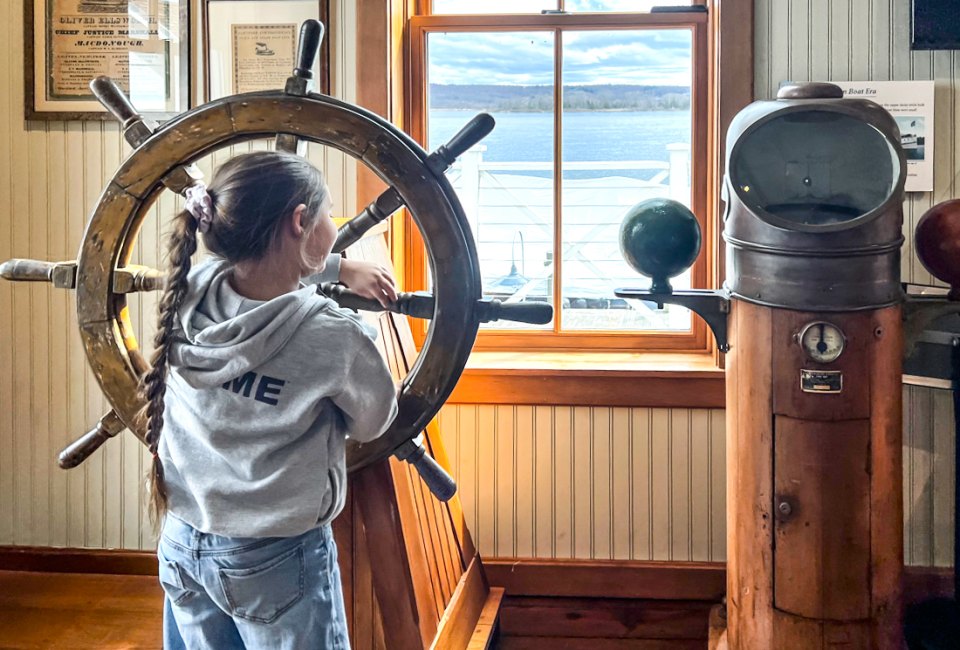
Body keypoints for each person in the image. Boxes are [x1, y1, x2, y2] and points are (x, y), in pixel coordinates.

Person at [143, 150, 400, 649]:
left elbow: (262, 272)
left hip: (182, 541)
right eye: (327, 214)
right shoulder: (333, 337)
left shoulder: (187, 293)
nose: (331, 223)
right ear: (300, 221)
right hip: (276, 559)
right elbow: (375, 421)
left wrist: (337, 267)